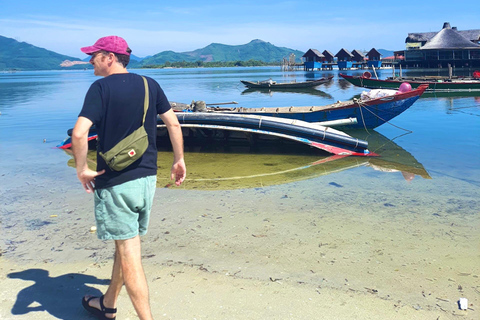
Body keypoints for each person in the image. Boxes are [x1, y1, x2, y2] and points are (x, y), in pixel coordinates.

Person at [72, 35, 186, 320]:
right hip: (146, 180)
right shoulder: (150, 84)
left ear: (110, 57)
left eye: (94, 55)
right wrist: (179, 160)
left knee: (131, 255)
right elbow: (172, 123)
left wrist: (82, 168)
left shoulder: (99, 88)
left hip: (116, 183)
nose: (90, 60)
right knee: (127, 243)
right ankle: (107, 304)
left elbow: (79, 133)